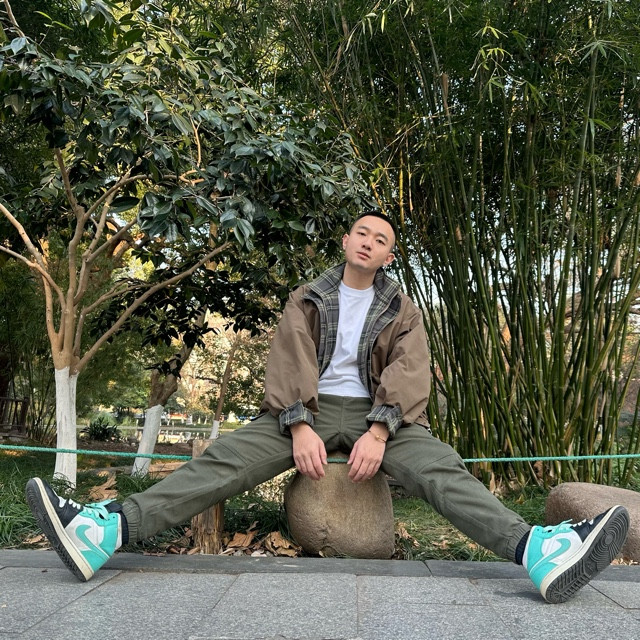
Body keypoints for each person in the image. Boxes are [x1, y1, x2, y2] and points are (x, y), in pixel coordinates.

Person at [26, 212, 629, 604]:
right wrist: (297, 425)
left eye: (382, 240)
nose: (369, 242)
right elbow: (289, 360)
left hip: (379, 416)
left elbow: (409, 371)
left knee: (442, 470)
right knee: (224, 461)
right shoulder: (308, 296)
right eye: (362, 233)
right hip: (306, 412)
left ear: (389, 256)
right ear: (346, 242)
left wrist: (381, 430)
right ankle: (104, 531)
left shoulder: (403, 308)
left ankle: (538, 552)